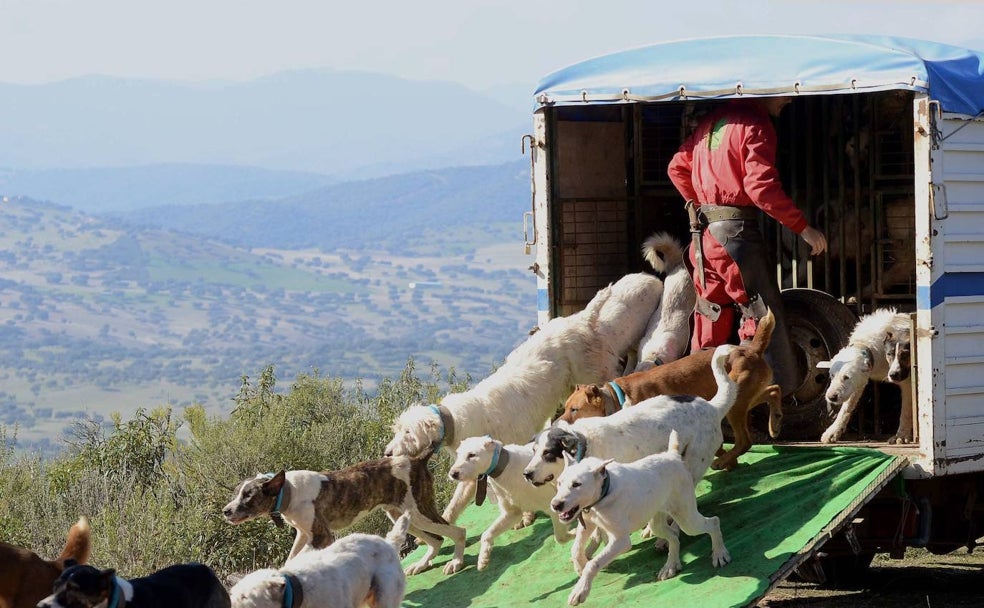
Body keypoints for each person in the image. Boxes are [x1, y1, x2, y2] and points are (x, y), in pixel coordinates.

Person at [667, 96, 827, 398]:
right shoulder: (756, 123)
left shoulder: (709, 123)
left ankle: (701, 399)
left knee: (710, 314)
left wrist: (701, 205)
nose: (790, 98)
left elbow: (676, 167)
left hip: (703, 240)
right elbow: (760, 187)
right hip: (735, 237)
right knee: (760, 315)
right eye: (784, 92)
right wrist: (802, 228)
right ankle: (765, 399)